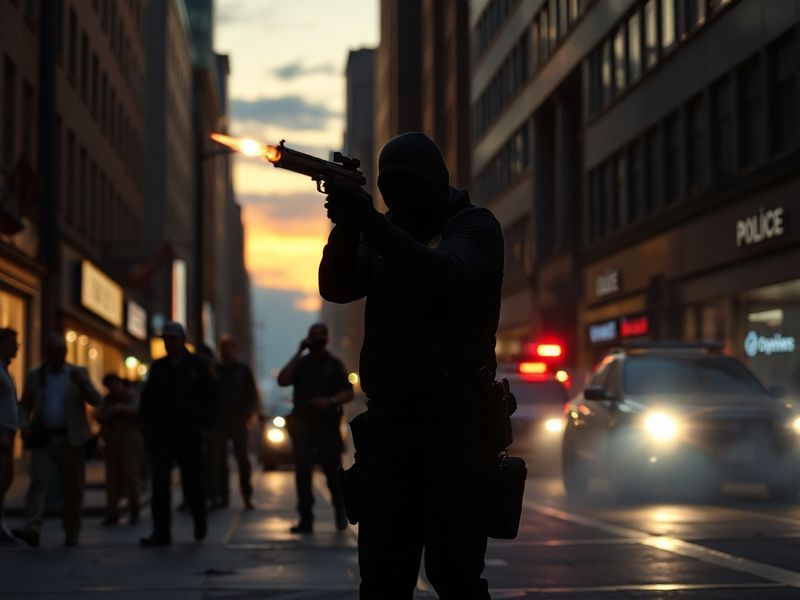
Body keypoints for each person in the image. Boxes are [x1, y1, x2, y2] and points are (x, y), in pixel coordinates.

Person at [319, 132, 504, 598]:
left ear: (435, 183)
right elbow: (337, 286)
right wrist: (345, 225)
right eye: (390, 189)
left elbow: (445, 273)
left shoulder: (474, 226)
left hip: (456, 430)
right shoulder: (383, 230)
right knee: (382, 580)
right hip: (390, 434)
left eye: (409, 186)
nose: (398, 199)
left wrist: (370, 223)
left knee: (455, 576)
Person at [13, 333, 102, 548]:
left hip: (71, 439)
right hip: (44, 438)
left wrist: (83, 385)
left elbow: (96, 399)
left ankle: (72, 530)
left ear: (66, 352)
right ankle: (32, 528)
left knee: (73, 487)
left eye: (61, 350)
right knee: (38, 482)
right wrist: (24, 426)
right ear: (46, 353)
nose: (57, 354)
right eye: (52, 350)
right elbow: (24, 405)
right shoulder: (36, 376)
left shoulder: (77, 373)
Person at [138, 322, 219, 547]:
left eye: (172, 339)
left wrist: (205, 426)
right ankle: (161, 531)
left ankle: (199, 519)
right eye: (165, 339)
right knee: (159, 484)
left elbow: (212, 397)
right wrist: (145, 423)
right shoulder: (159, 367)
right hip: (162, 434)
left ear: (182, 340)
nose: (168, 343)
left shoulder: (198, 366)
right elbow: (148, 398)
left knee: (193, 482)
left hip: (189, 433)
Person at [277, 323, 353, 533]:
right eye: (314, 336)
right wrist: (299, 351)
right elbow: (282, 380)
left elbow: (348, 393)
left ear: (326, 339)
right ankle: (306, 518)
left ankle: (340, 512)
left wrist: (329, 401)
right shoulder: (301, 364)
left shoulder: (334, 365)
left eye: (321, 336)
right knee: (303, 472)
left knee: (333, 472)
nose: (318, 340)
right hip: (303, 426)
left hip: (327, 426)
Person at [210, 336, 260, 510]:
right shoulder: (214, 370)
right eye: (223, 349)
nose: (225, 352)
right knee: (219, 460)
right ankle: (222, 495)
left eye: (228, 348)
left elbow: (252, 393)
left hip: (239, 420)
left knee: (242, 460)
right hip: (219, 421)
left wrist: (250, 414)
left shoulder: (243, 370)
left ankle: (246, 494)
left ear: (234, 350)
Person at [97, 373, 143, 526]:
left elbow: (136, 412)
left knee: (131, 474)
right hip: (112, 440)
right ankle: (112, 511)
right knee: (112, 478)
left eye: (114, 385)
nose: (113, 389)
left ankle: (134, 508)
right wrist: (115, 410)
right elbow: (100, 416)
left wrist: (119, 409)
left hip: (130, 439)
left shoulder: (132, 395)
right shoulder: (108, 399)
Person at [0, 328, 20, 544]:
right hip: (2, 433)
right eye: (11, 343)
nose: (15, 347)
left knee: (6, 479)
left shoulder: (6, 371)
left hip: (9, 431)